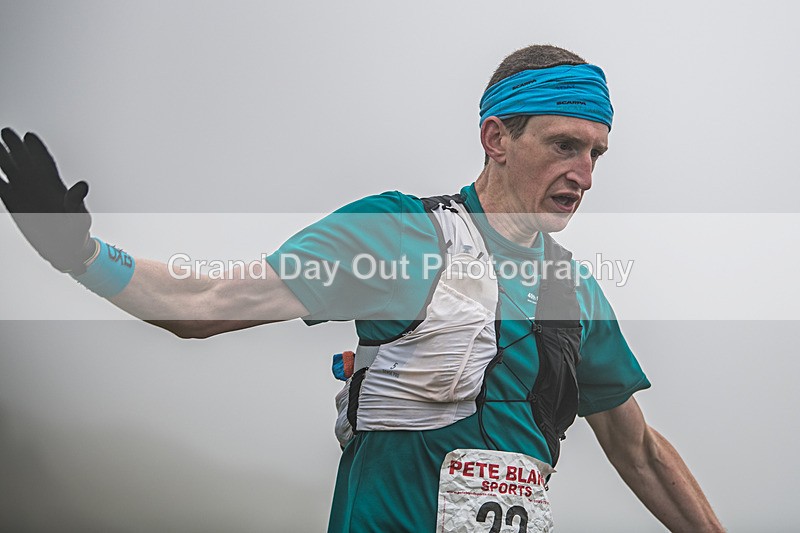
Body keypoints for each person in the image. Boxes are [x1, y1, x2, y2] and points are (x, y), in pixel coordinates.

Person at [0, 44, 724, 532]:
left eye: (596, 152)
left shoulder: (574, 290)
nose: (585, 174)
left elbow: (639, 452)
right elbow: (204, 305)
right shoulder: (397, 235)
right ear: (496, 137)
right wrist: (81, 254)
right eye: (563, 145)